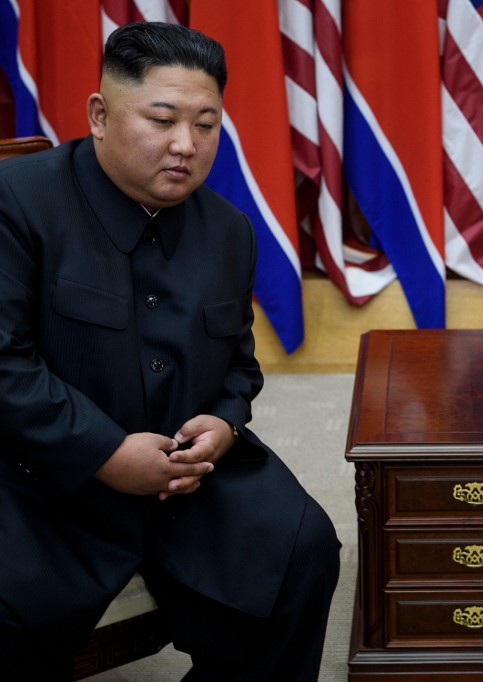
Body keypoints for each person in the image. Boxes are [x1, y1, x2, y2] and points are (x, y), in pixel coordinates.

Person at [0, 22, 340, 679]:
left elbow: (238, 365)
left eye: (206, 124)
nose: (186, 144)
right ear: (100, 116)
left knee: (301, 550)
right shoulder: (18, 201)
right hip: (41, 477)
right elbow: (4, 364)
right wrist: (104, 453)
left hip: (186, 477)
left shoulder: (229, 231)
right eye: (162, 120)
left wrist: (225, 423)